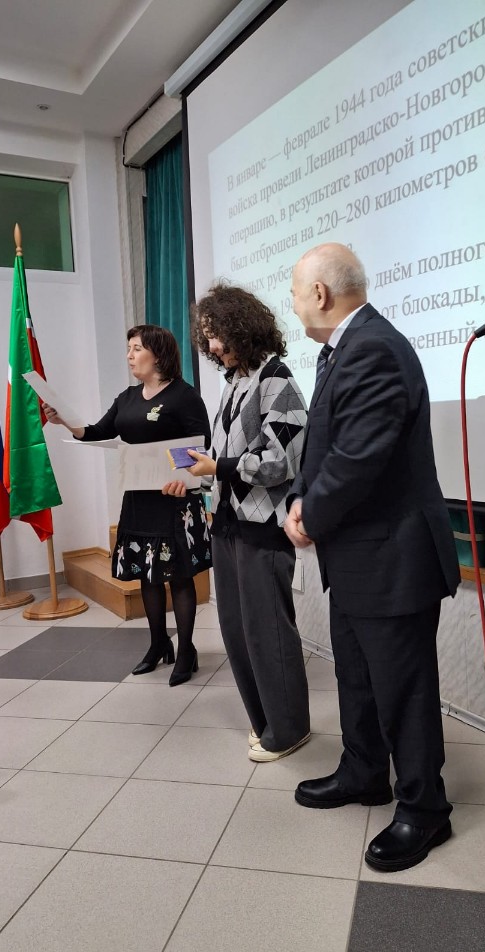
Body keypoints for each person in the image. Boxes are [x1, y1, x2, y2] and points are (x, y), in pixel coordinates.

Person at [284, 243, 461, 871]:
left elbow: (359, 458)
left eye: (295, 292)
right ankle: (363, 772)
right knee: (357, 677)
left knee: (403, 690)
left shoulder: (374, 349)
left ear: (321, 294)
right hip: (360, 555)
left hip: (393, 558)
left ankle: (425, 809)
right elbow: (324, 447)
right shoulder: (342, 350)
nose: (293, 305)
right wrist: (302, 495)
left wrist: (310, 514)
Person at [171, 282, 310, 761]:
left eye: (216, 335)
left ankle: (288, 729)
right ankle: (265, 721)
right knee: (235, 630)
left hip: (263, 529)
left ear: (241, 328)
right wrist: (199, 473)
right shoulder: (236, 382)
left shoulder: (279, 380)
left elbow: (280, 461)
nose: (210, 346)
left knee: (267, 631)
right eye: (207, 336)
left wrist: (219, 467)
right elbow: (226, 456)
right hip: (228, 525)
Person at [43, 325, 211, 686]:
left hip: (175, 497)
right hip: (139, 497)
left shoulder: (184, 396)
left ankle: (186, 651)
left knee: (179, 576)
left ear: (158, 354)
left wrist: (184, 478)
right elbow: (98, 431)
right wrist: (65, 421)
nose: (129, 356)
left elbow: (202, 444)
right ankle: (158, 644)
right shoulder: (128, 397)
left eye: (136, 348)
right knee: (147, 576)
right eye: (129, 348)